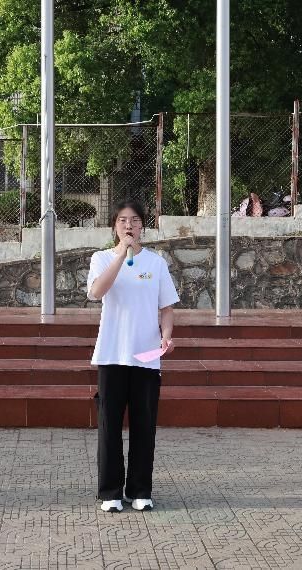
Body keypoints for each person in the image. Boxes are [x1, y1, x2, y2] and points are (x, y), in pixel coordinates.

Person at [86, 199, 179, 513]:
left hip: (146, 357)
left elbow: (166, 307)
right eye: (123, 220)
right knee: (109, 426)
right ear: (115, 225)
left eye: (135, 220)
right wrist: (121, 256)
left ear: (142, 226)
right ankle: (110, 492)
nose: (129, 225)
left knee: (144, 425)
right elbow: (96, 292)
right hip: (112, 354)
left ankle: (140, 490)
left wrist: (166, 335)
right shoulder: (101, 259)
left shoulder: (156, 263)